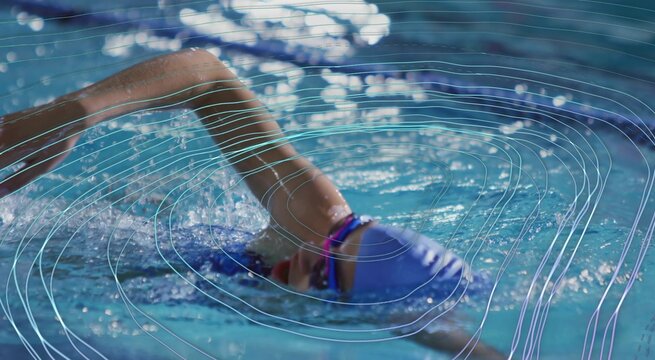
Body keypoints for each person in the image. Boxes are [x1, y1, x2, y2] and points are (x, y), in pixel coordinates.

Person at [0, 48, 504, 359]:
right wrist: (72, 115)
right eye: (336, 241)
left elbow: (461, 345)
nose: (310, 255)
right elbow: (208, 75)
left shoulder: (387, 315)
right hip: (77, 246)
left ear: (358, 313)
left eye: (328, 273)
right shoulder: (315, 221)